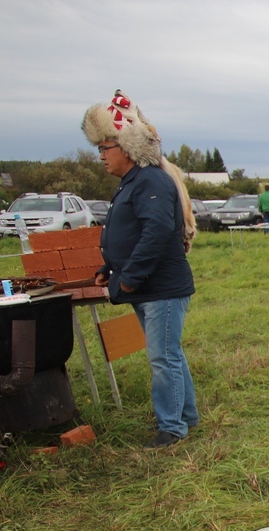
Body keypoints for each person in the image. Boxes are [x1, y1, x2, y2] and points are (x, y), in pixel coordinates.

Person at [83, 90, 198, 450]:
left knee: (162, 358)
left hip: (159, 287)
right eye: (99, 148)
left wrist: (129, 277)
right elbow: (133, 233)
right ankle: (187, 417)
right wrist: (111, 267)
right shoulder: (135, 182)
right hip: (151, 286)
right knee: (170, 354)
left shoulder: (149, 180)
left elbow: (157, 232)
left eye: (106, 148)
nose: (101, 155)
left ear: (127, 147)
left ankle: (172, 428)